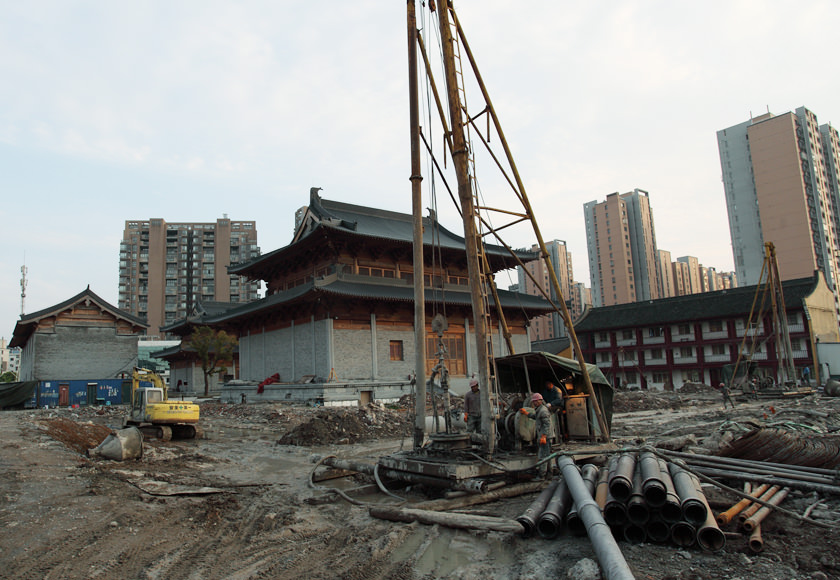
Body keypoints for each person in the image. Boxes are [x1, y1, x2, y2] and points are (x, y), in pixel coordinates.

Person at [520, 392, 552, 478]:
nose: (534, 403)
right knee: (547, 455)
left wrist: (544, 436)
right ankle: (549, 473)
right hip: (544, 436)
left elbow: (547, 425)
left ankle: (541, 476)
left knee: (542, 456)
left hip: (545, 437)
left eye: (536, 401)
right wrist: (526, 413)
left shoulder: (543, 411)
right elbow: (535, 417)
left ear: (540, 401)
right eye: (533, 401)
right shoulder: (539, 410)